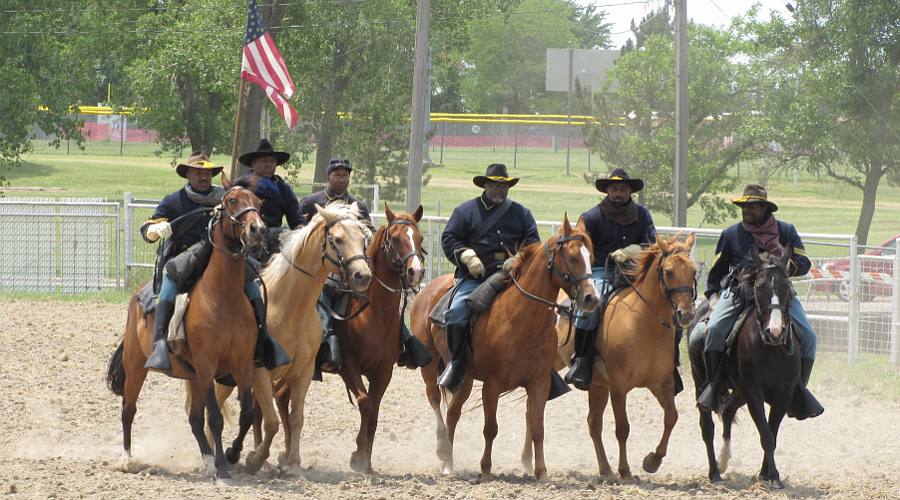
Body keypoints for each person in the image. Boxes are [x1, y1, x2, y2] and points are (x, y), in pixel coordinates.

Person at [141, 152, 290, 373]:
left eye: (208, 173)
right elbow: (147, 228)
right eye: (198, 172)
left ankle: (264, 339)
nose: (204, 177)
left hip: (223, 254)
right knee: (171, 276)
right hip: (185, 254)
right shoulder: (174, 200)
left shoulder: (226, 198)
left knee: (252, 282)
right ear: (188, 174)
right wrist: (155, 230)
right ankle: (160, 343)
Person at [690, 184, 823, 420]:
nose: (746, 210)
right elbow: (717, 270)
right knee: (713, 329)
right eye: (744, 206)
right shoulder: (731, 234)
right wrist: (712, 294)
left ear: (764, 208)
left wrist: (782, 266)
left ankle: (797, 390)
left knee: (809, 338)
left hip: (777, 293)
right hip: (740, 291)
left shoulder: (786, 231)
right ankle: (716, 385)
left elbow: (804, 263)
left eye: (751, 206)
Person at [438, 163, 542, 392]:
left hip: (512, 277)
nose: (499, 189)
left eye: (503, 185)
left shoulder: (521, 213)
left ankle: (545, 369)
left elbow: (534, 244)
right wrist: (466, 256)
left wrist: (519, 259)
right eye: (494, 185)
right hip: (475, 276)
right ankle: (456, 364)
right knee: (455, 315)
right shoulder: (465, 211)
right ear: (485, 185)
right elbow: (449, 239)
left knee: (543, 315)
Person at [564, 168, 657, 391]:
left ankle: (669, 364)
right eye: (614, 189)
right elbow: (582, 246)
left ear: (629, 192)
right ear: (607, 191)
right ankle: (583, 362)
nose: (618, 193)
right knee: (590, 309)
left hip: (636, 272)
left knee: (664, 304)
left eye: (622, 189)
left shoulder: (642, 215)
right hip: (600, 271)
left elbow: (652, 244)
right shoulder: (591, 216)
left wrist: (634, 250)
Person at [299, 158, 374, 374]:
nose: (342, 179)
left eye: (345, 175)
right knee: (321, 303)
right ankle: (321, 351)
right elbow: (300, 239)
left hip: (353, 271)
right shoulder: (310, 203)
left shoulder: (358, 206)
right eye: (337, 175)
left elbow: (368, 237)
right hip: (321, 273)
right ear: (328, 176)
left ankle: (403, 342)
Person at [235, 138, 304, 261]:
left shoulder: (283, 189)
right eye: (264, 161)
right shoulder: (240, 187)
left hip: (274, 242)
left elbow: (296, 220)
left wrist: (299, 233)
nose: (269, 164)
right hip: (243, 241)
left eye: (272, 161)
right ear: (253, 164)